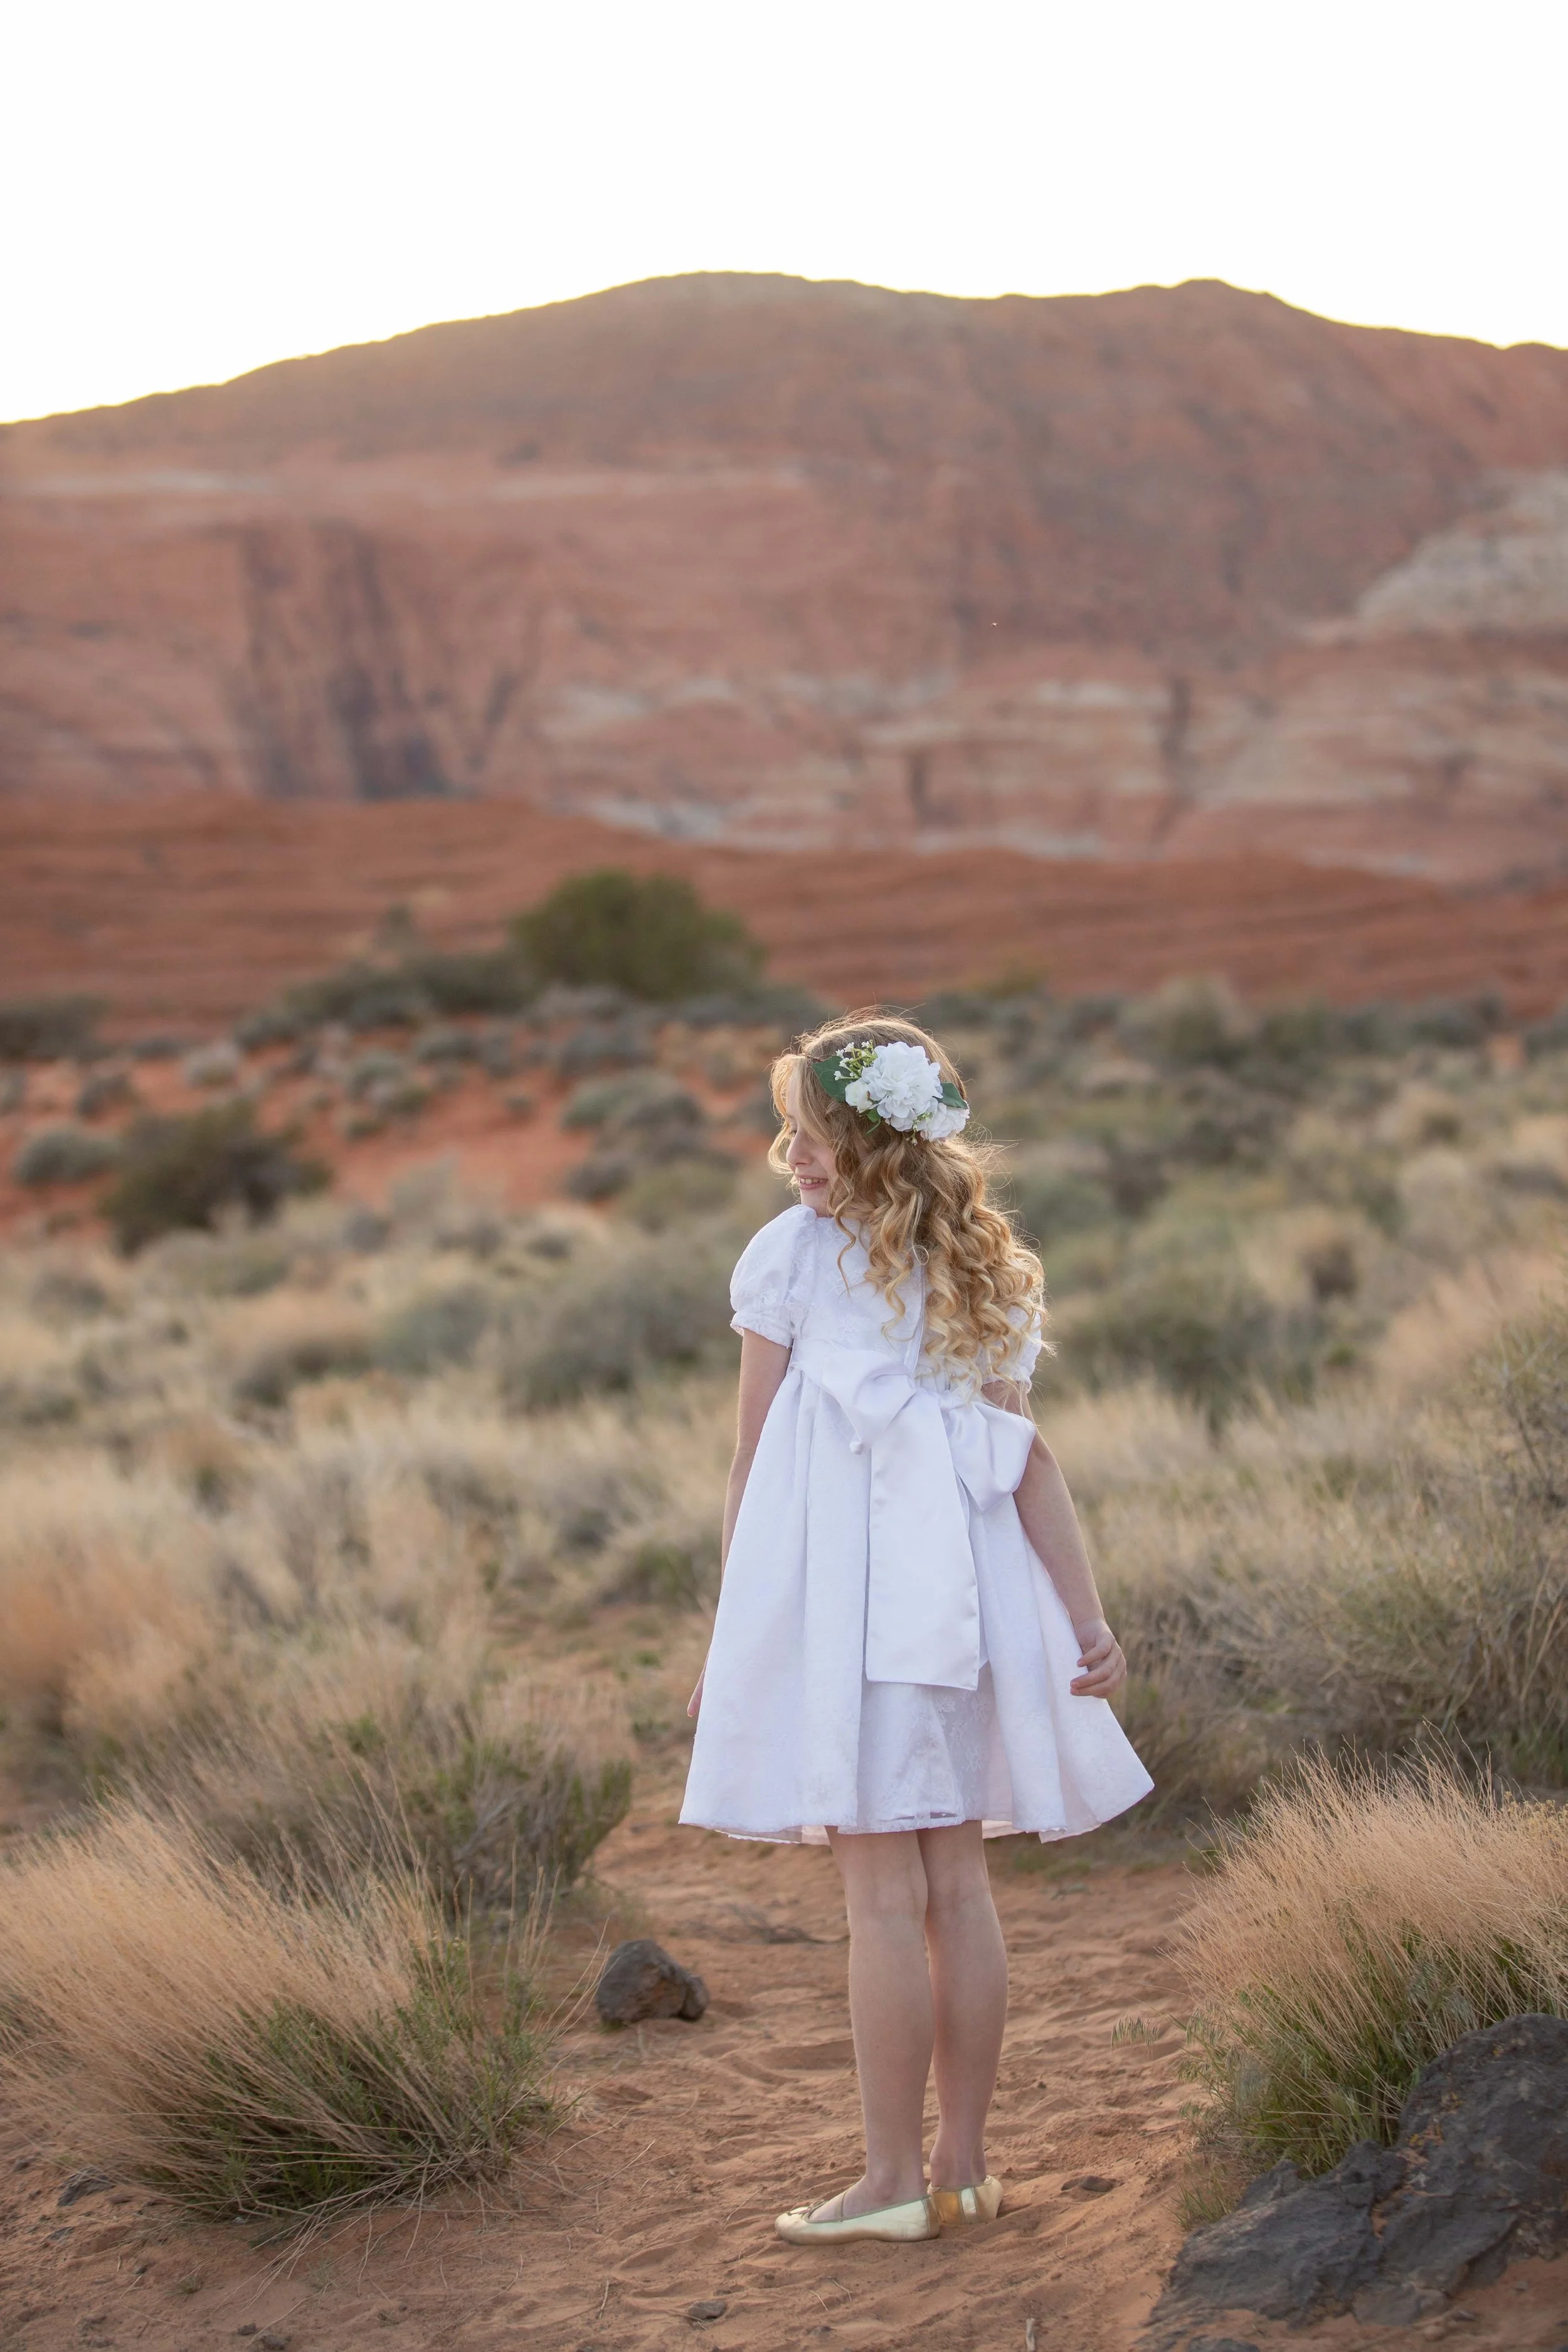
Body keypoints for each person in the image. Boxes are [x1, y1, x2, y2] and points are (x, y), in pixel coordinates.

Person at [681, 1013, 1153, 2245]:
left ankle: (892, 2180)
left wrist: (738, 1630)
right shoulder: (981, 1260)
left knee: (887, 1897)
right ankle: (959, 2165)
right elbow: (1026, 1459)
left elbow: (750, 1459)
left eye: (814, 1131)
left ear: (875, 1139)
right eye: (785, 1130)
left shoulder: (788, 1260)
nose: (790, 1154)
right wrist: (1078, 1618)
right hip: (970, 1603)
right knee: (957, 1885)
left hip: (858, 1599)